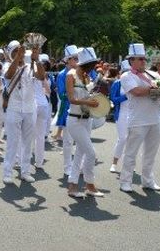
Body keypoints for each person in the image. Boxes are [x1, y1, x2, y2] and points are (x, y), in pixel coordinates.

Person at [119, 43, 160, 193]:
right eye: (140, 59)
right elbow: (136, 91)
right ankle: (125, 181)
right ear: (131, 60)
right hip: (138, 119)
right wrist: (156, 89)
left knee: (151, 153)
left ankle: (148, 180)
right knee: (131, 153)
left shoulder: (154, 75)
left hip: (155, 118)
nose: (143, 61)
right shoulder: (126, 75)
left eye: (144, 59)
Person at [2, 41, 44, 185]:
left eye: (19, 51)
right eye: (14, 52)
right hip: (14, 108)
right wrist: (17, 58)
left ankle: (25, 172)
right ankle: (7, 172)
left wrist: (36, 59)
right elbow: (8, 75)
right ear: (10, 54)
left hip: (30, 108)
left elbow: (41, 77)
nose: (18, 54)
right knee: (13, 142)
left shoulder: (29, 66)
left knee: (28, 142)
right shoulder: (7, 65)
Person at [65, 48, 104, 198]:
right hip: (74, 119)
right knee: (91, 153)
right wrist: (88, 101)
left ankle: (73, 186)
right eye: (91, 63)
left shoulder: (87, 76)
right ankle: (90, 184)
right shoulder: (71, 75)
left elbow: (89, 96)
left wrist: (96, 99)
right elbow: (71, 99)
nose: (93, 66)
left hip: (87, 119)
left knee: (80, 154)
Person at [55, 45, 78, 176]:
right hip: (68, 109)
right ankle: (67, 168)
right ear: (68, 60)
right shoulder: (62, 75)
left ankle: (78, 166)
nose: (77, 60)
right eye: (75, 58)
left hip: (81, 109)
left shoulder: (81, 73)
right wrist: (77, 94)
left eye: (77, 58)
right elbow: (62, 94)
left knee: (81, 140)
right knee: (68, 141)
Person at [109, 60, 130, 173]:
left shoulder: (135, 81)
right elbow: (113, 99)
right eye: (125, 71)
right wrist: (126, 96)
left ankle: (128, 163)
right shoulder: (117, 83)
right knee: (122, 138)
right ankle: (114, 163)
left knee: (132, 140)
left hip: (134, 114)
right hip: (121, 113)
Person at [33, 54, 51, 169]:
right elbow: (48, 91)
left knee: (27, 134)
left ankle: (20, 160)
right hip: (44, 104)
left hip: (33, 105)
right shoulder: (43, 76)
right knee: (40, 136)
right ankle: (39, 162)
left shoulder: (31, 73)